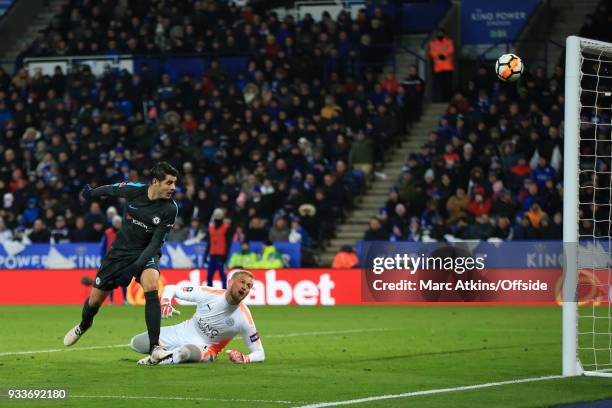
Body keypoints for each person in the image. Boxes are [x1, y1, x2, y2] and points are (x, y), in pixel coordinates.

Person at [63, 162, 179, 366]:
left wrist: (135, 268)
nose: (173, 187)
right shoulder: (135, 191)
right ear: (155, 182)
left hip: (145, 252)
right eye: (168, 183)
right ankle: (84, 324)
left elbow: (155, 244)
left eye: (174, 183)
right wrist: (91, 194)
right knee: (95, 300)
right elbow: (111, 189)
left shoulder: (170, 209)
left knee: (151, 285)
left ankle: (155, 348)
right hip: (119, 253)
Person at [130, 269, 265, 366]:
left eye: (249, 286)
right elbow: (171, 288)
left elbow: (259, 353)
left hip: (205, 347)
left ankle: (155, 361)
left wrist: (244, 358)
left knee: (185, 353)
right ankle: (166, 352)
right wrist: (166, 302)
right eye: (242, 282)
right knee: (136, 343)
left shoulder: (244, 317)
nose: (245, 288)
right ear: (230, 283)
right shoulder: (209, 294)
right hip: (183, 331)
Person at [204, 208, 232, 289]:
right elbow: (209, 243)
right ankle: (210, 293)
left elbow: (228, 243)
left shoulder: (226, 228)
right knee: (209, 276)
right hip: (213, 256)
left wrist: (225, 256)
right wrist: (206, 255)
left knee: (223, 277)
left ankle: (224, 293)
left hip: (221, 256)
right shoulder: (211, 228)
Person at [101, 215, 126, 304]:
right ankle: (111, 300)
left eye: (119, 222)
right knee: (110, 280)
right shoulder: (107, 233)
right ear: (113, 223)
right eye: (116, 222)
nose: (118, 224)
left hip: (122, 258)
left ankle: (125, 299)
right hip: (110, 259)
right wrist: (103, 258)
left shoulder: (124, 231)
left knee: (124, 279)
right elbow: (103, 247)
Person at [427, 28, 454, 102]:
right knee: (440, 86)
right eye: (439, 33)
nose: (440, 35)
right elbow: (431, 52)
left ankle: (448, 100)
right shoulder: (433, 43)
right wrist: (438, 55)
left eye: (441, 33)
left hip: (448, 67)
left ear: (444, 34)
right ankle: (441, 100)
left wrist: (444, 55)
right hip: (438, 69)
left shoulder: (449, 42)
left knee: (448, 85)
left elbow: (451, 50)